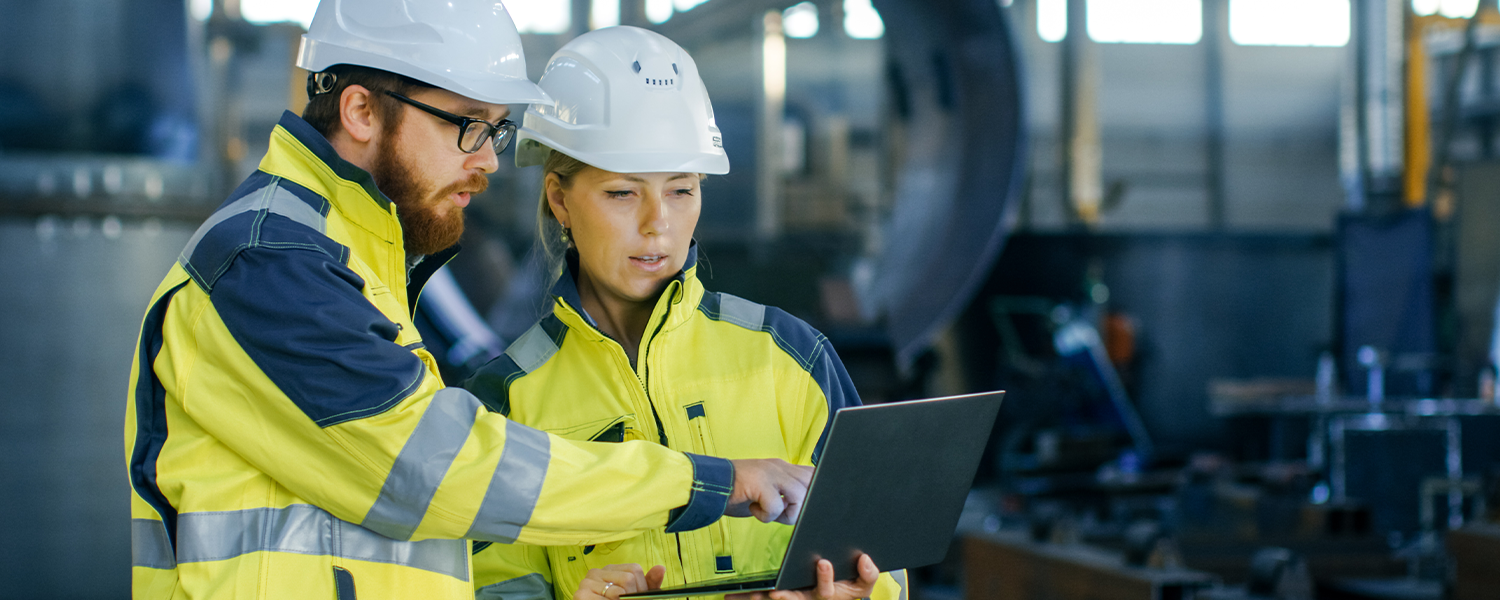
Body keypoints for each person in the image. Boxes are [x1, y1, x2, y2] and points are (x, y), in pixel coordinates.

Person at [123, 3, 813, 599]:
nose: (486, 159)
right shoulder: (270, 263)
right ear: (361, 109)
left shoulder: (354, 258)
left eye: (495, 128)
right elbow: (438, 471)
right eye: (467, 124)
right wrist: (702, 483)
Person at [463, 27, 907, 600]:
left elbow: (883, 559)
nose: (658, 223)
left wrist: (860, 593)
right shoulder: (507, 400)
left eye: (681, 190)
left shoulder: (792, 356)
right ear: (559, 199)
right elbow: (490, 584)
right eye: (623, 193)